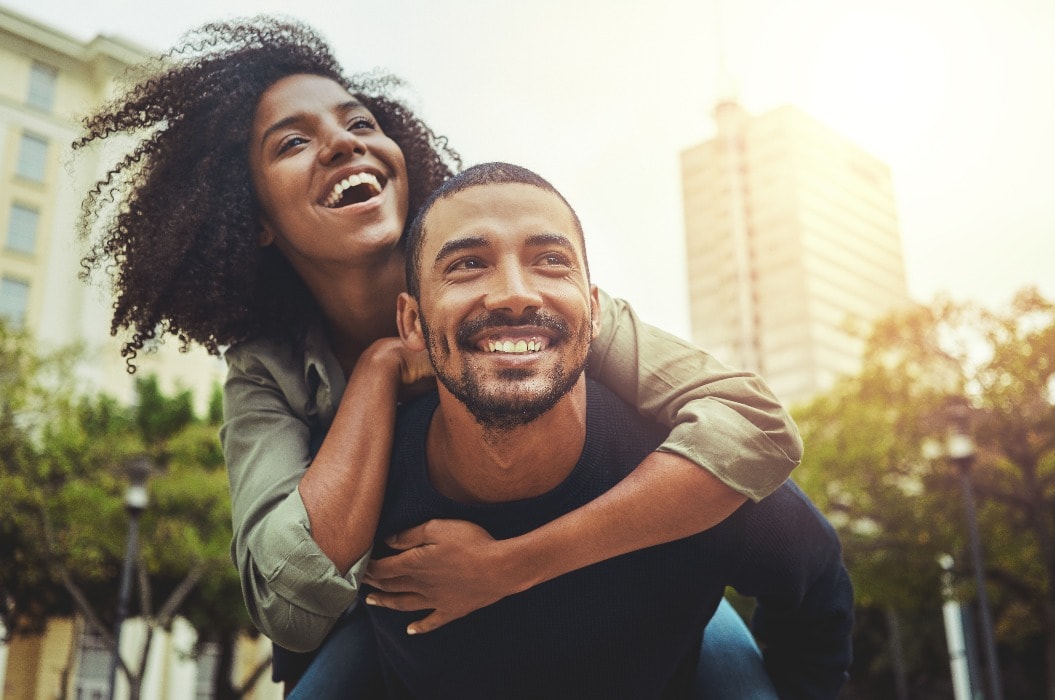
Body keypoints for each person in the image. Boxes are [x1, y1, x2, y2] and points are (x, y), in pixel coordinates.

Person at [74, 16, 804, 693]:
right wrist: (379, 371)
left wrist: (511, 565)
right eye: (292, 143)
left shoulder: (528, 297)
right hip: (404, 624)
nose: (342, 143)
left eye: (360, 122)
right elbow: (286, 601)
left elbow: (751, 428)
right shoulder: (265, 371)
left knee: (735, 669)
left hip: (615, 577)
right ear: (254, 219)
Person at [363, 161, 853, 699]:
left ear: (595, 313)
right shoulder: (369, 480)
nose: (514, 293)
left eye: (550, 260)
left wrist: (508, 565)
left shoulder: (698, 474)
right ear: (411, 322)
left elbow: (817, 578)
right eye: (468, 264)